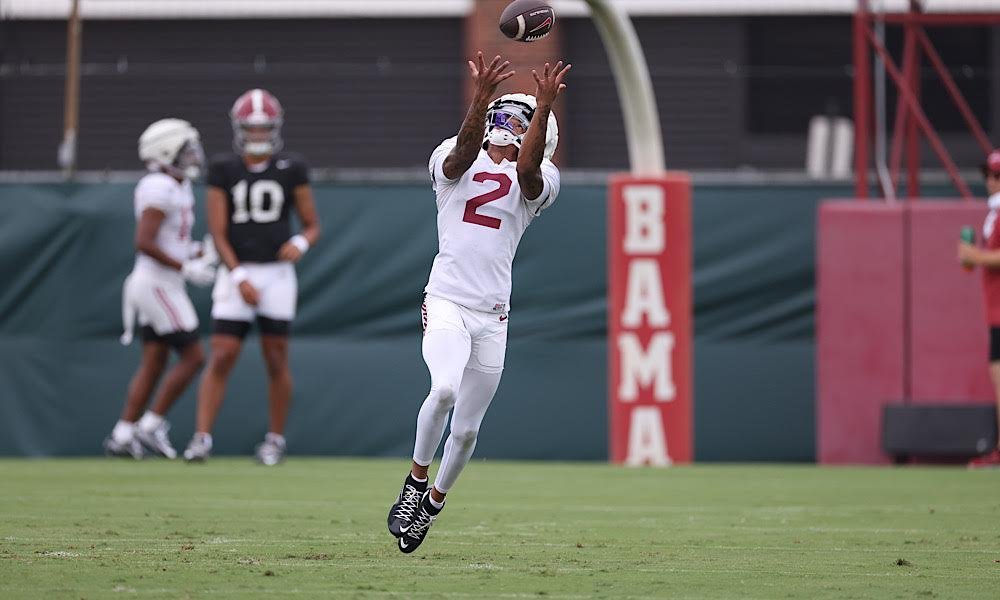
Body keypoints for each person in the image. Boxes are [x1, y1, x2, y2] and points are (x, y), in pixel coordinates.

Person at [385, 53, 571, 553]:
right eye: (503, 114)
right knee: (442, 390)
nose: (507, 125)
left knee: (466, 432)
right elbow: (460, 155)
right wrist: (480, 98)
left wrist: (547, 104)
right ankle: (416, 483)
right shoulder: (454, 154)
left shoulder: (543, 180)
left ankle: (434, 505)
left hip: (493, 317)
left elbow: (528, 173)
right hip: (447, 299)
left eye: (521, 119)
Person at [182, 89, 320, 465]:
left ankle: (275, 439)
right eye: (251, 129)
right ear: (239, 128)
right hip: (235, 271)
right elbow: (217, 231)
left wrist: (300, 244)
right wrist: (239, 274)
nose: (258, 135)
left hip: (277, 273)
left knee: (276, 358)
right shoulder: (223, 168)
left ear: (274, 129)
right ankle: (201, 438)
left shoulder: (293, 167)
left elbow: (311, 226)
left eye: (263, 129)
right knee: (223, 353)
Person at [104, 118, 216, 459]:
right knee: (195, 357)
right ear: (167, 151)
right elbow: (144, 241)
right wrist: (187, 267)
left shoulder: (176, 184)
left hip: (156, 283)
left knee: (154, 362)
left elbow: (170, 240)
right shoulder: (158, 186)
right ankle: (151, 425)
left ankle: (122, 435)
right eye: (186, 149)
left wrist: (198, 251)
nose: (194, 154)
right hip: (157, 284)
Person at [959, 149, 1000, 468]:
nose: (991, 182)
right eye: (989, 175)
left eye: (997, 176)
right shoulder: (992, 214)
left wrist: (975, 255)